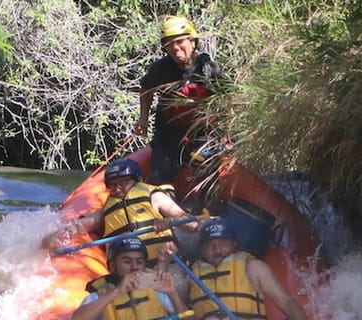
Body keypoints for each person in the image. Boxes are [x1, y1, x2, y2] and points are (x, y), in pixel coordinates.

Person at [47, 158, 200, 267]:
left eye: (123, 182)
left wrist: (169, 222)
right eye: (113, 185)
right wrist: (59, 235)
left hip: (162, 265)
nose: (118, 189)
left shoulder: (155, 197)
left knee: (179, 284)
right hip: (126, 273)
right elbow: (82, 225)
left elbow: (192, 225)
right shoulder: (108, 208)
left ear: (138, 180)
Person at [134, 15, 225, 185]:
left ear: (192, 41)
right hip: (167, 133)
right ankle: (164, 204)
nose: (175, 48)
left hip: (201, 134)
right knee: (160, 176)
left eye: (180, 42)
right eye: (169, 44)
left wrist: (221, 126)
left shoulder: (210, 70)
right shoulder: (160, 70)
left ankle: (204, 205)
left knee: (207, 174)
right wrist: (143, 117)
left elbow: (228, 99)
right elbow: (146, 89)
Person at [159, 218, 308, 320]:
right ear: (202, 249)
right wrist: (164, 263)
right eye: (210, 245)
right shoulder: (193, 276)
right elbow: (165, 303)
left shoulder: (253, 267)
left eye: (223, 243)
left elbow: (288, 303)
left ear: (234, 244)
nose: (217, 250)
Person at [71, 237, 189, 320]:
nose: (134, 267)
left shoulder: (158, 292)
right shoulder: (98, 297)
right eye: (127, 261)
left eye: (139, 262)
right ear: (113, 266)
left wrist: (172, 293)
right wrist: (117, 291)